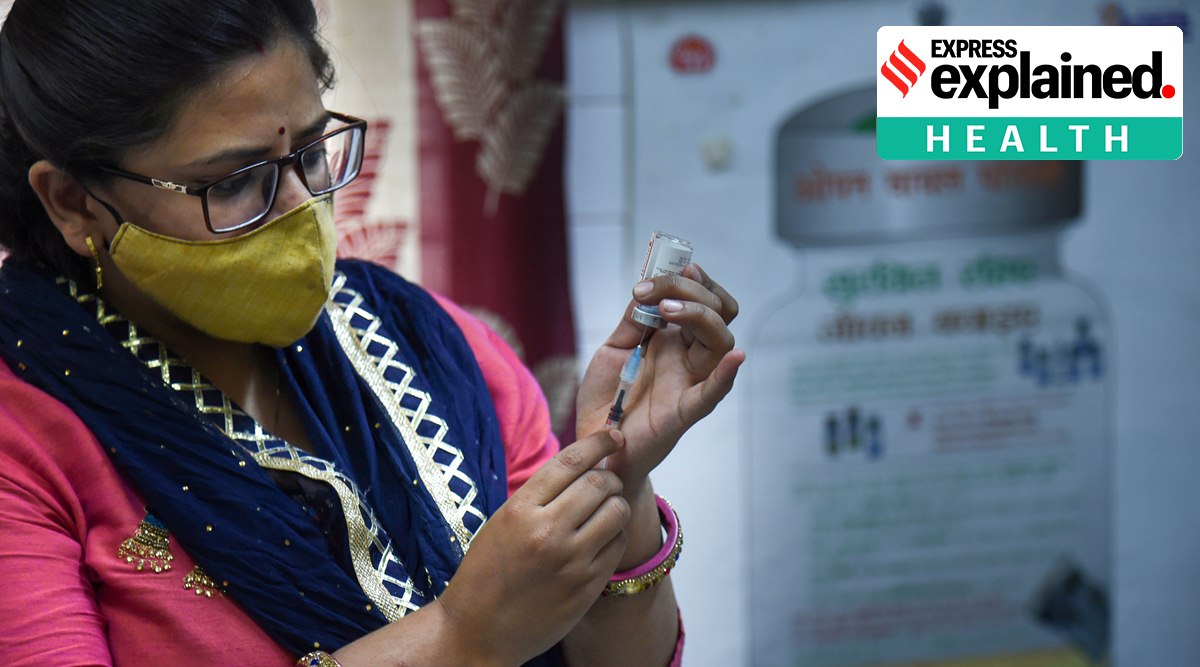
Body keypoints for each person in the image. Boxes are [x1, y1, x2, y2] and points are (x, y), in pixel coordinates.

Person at [0, 1, 743, 665]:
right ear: (74, 200)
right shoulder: (22, 439)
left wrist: (617, 474)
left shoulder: (433, 346)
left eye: (312, 153)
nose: (298, 210)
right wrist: (460, 637)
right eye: (232, 182)